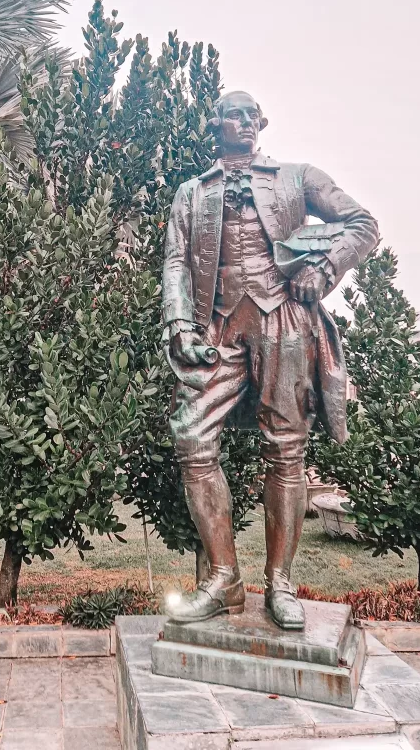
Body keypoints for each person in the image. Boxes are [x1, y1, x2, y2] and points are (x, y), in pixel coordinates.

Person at [162, 90, 378, 629]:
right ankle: (224, 579)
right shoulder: (191, 193)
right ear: (215, 125)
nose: (239, 121)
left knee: (285, 449)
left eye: (248, 114)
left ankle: (280, 582)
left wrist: (324, 271)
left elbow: (363, 225)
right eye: (229, 114)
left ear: (260, 123)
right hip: (218, 328)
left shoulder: (296, 177)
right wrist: (180, 323)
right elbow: (175, 264)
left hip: (283, 320)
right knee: (191, 435)